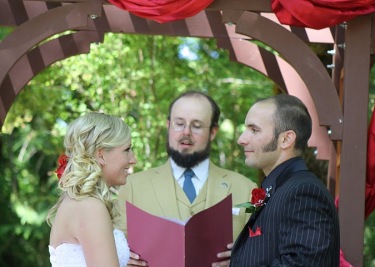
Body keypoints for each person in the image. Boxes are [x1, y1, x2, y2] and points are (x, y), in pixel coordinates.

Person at [115, 91, 257, 266]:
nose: (186, 132)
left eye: (196, 125)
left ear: (213, 132)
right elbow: (112, 250)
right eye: (179, 123)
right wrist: (123, 259)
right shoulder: (132, 186)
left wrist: (243, 258)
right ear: (168, 125)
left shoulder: (247, 189)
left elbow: (264, 253)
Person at [230, 94, 340, 266]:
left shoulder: (304, 193)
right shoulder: (281, 189)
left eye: (254, 130)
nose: (241, 139)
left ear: (286, 139)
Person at [47, 112, 137, 267]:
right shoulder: (90, 206)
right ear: (101, 155)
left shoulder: (80, 202)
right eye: (127, 149)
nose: (133, 159)